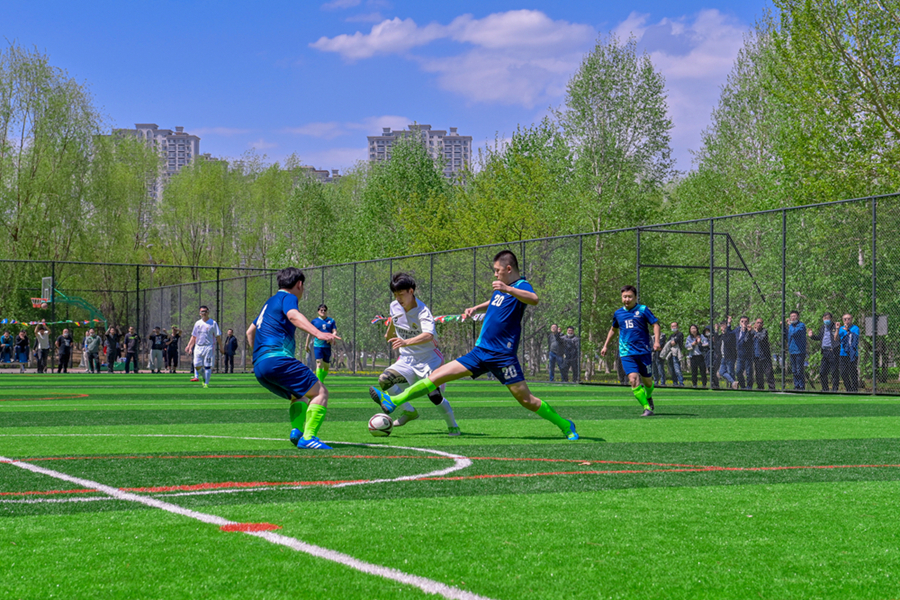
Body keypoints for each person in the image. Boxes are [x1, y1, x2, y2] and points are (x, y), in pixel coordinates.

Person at [370, 250, 578, 441]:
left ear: (508, 268)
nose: (495, 274)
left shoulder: (520, 286)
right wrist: (476, 307)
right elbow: (495, 301)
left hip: (503, 356)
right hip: (480, 352)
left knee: (527, 401)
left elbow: (534, 299)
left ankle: (565, 424)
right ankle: (394, 401)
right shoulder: (501, 289)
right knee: (436, 376)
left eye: (497, 270)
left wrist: (507, 288)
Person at [246, 267, 340, 450]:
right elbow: (293, 315)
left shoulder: (269, 302)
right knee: (320, 392)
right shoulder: (288, 297)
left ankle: (297, 432)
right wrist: (318, 333)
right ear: (299, 284)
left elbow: (250, 332)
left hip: (260, 367)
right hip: (277, 359)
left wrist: (258, 357)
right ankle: (309, 437)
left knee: (299, 395)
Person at [373, 272, 460, 435]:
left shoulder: (423, 311)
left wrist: (405, 342)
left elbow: (429, 335)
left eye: (401, 294)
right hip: (407, 358)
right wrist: (389, 333)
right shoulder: (394, 305)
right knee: (384, 380)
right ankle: (409, 411)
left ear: (411, 291)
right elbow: (394, 318)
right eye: (395, 294)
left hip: (429, 359)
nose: (398, 298)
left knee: (434, 395)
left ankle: (453, 426)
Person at [600, 285, 661, 417]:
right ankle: (647, 408)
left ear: (635, 297)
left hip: (643, 352)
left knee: (648, 382)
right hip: (626, 353)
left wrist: (657, 341)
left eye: (629, 297)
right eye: (624, 297)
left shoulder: (643, 310)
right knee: (633, 379)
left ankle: (648, 396)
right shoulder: (618, 313)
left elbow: (655, 325)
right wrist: (605, 345)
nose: (627, 299)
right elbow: (613, 330)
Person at [185, 306, 222, 388]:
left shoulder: (213, 323)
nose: (204, 313)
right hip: (198, 347)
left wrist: (221, 347)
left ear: (208, 312)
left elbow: (218, 336)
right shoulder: (197, 323)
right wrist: (189, 346)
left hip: (209, 347)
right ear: (200, 313)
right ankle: (205, 377)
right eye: (202, 311)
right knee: (196, 365)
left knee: (207, 366)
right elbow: (194, 336)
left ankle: (206, 384)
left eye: (205, 311)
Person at [305, 304, 337, 382]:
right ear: (318, 311)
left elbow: (334, 331)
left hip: (327, 346)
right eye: (321, 310)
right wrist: (306, 345)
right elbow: (310, 333)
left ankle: (321, 380)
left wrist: (332, 337)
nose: (323, 312)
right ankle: (320, 383)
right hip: (317, 346)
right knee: (319, 363)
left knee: (326, 367)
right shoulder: (314, 321)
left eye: (324, 310)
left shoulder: (331, 321)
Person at [808, 312, 839, 391]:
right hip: (824, 352)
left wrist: (837, 328)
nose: (826, 320)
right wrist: (812, 336)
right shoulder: (823, 327)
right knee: (822, 372)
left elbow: (837, 337)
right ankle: (825, 389)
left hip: (832, 352)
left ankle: (834, 389)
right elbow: (819, 337)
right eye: (824, 318)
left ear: (831, 319)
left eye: (828, 318)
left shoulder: (835, 326)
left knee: (834, 372)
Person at [784, 311, 807, 390]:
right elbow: (787, 336)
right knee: (794, 370)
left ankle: (801, 386)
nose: (793, 318)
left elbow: (794, 333)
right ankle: (796, 385)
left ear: (798, 317)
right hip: (792, 351)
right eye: (791, 316)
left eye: (794, 316)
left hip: (799, 351)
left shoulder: (801, 325)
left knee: (799, 370)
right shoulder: (790, 327)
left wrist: (789, 325)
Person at [752, 318, 775, 391]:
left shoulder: (764, 331)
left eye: (760, 323)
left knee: (769, 373)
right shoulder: (752, 332)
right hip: (756, 356)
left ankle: (772, 388)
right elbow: (746, 339)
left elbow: (762, 339)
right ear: (755, 324)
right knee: (758, 374)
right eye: (757, 323)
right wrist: (749, 331)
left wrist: (756, 332)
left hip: (765, 356)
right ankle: (760, 387)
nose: (759, 324)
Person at [838, 313, 860, 392]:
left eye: (848, 319)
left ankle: (854, 389)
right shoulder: (841, 329)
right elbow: (836, 338)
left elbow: (854, 338)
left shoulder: (855, 328)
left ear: (851, 319)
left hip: (852, 354)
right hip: (843, 353)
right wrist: (837, 329)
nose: (847, 321)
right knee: (843, 372)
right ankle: (848, 388)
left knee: (852, 372)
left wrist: (847, 330)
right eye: (845, 319)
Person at [734, 316, 754, 390]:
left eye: (746, 321)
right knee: (738, 372)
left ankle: (749, 387)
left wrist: (747, 331)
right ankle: (742, 386)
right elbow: (729, 333)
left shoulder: (750, 331)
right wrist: (729, 323)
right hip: (740, 355)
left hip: (748, 355)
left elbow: (747, 341)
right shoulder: (737, 330)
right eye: (742, 321)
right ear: (740, 322)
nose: (744, 323)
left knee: (749, 373)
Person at [717, 318, 737, 389]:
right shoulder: (722, 336)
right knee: (721, 372)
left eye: (723, 326)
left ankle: (733, 386)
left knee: (730, 372)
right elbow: (716, 341)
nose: (722, 328)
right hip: (723, 357)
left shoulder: (730, 334)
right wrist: (716, 330)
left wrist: (729, 324)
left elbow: (727, 341)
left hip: (730, 356)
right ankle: (733, 382)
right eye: (721, 326)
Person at [664, 322, 685, 386]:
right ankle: (675, 383)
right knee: (672, 370)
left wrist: (672, 342)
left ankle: (681, 383)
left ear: (677, 326)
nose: (673, 328)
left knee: (677, 369)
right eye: (672, 326)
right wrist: (671, 343)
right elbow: (668, 343)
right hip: (670, 354)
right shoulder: (671, 336)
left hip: (676, 354)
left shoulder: (680, 334)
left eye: (674, 326)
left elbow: (674, 342)